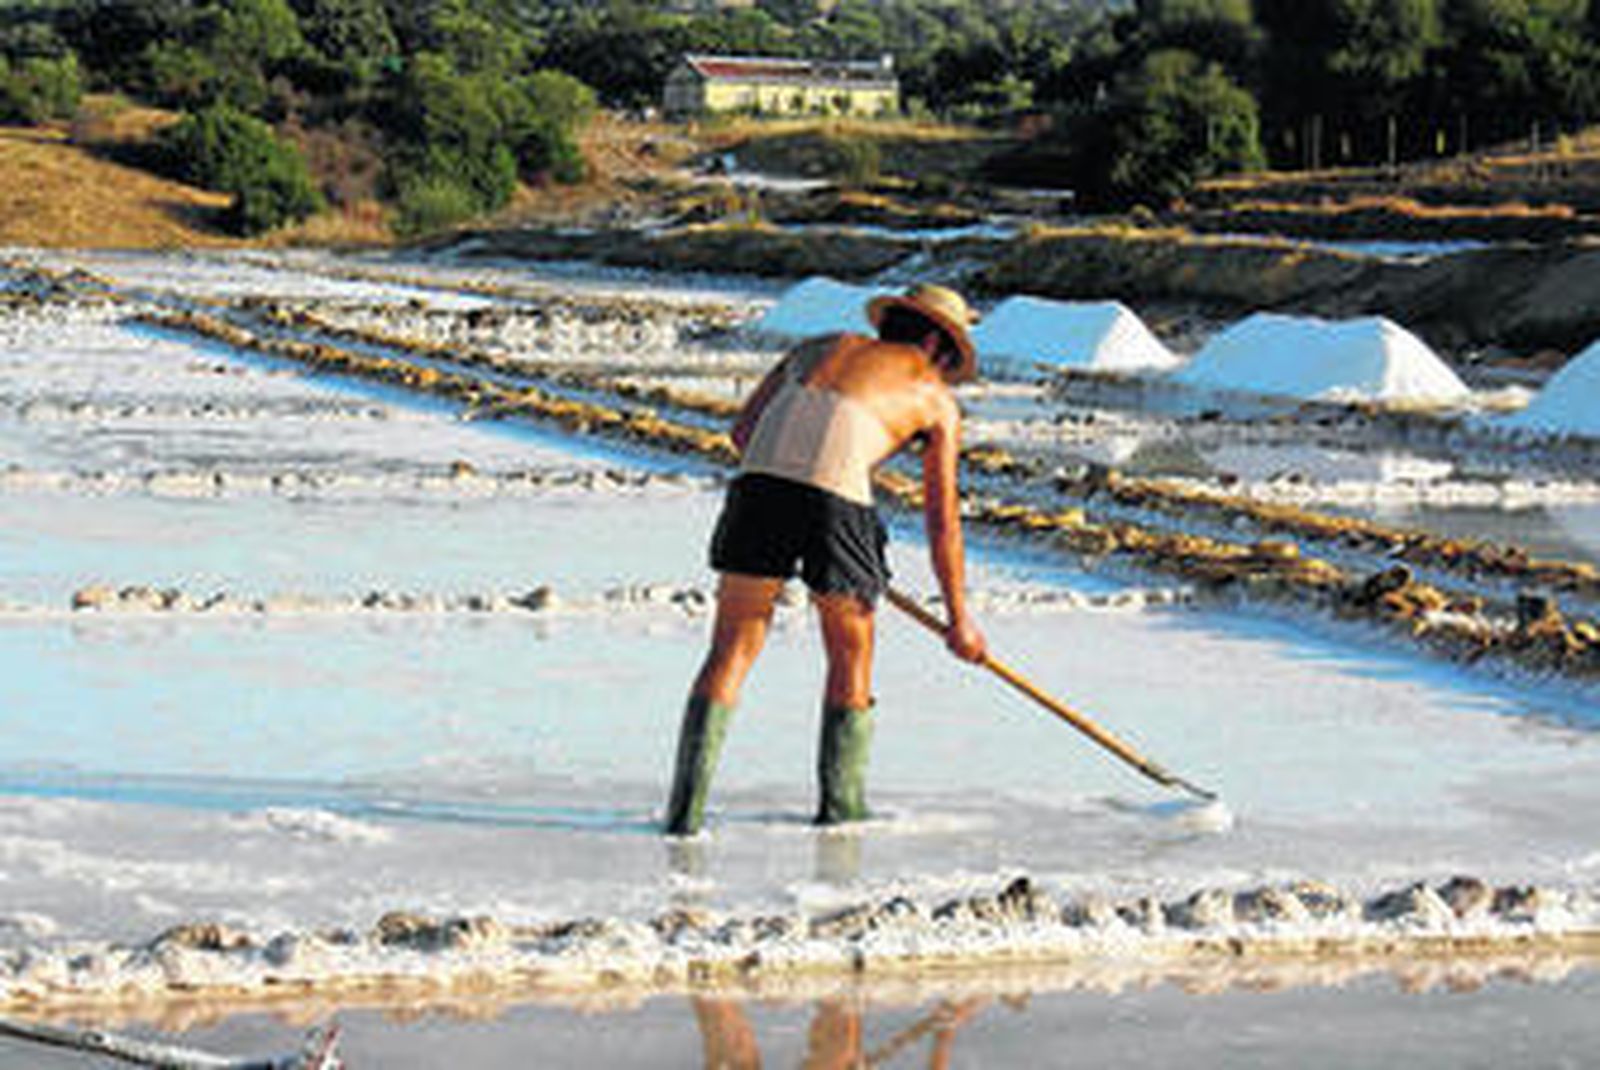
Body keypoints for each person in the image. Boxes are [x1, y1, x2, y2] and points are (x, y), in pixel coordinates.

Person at [663, 282, 989, 836]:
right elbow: (942, 522)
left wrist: (797, 485)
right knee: (850, 655)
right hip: (835, 497)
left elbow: (742, 432)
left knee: (731, 650)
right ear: (938, 342)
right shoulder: (935, 397)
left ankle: (683, 815)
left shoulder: (819, 346)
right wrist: (960, 620)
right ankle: (840, 812)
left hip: (759, 484)